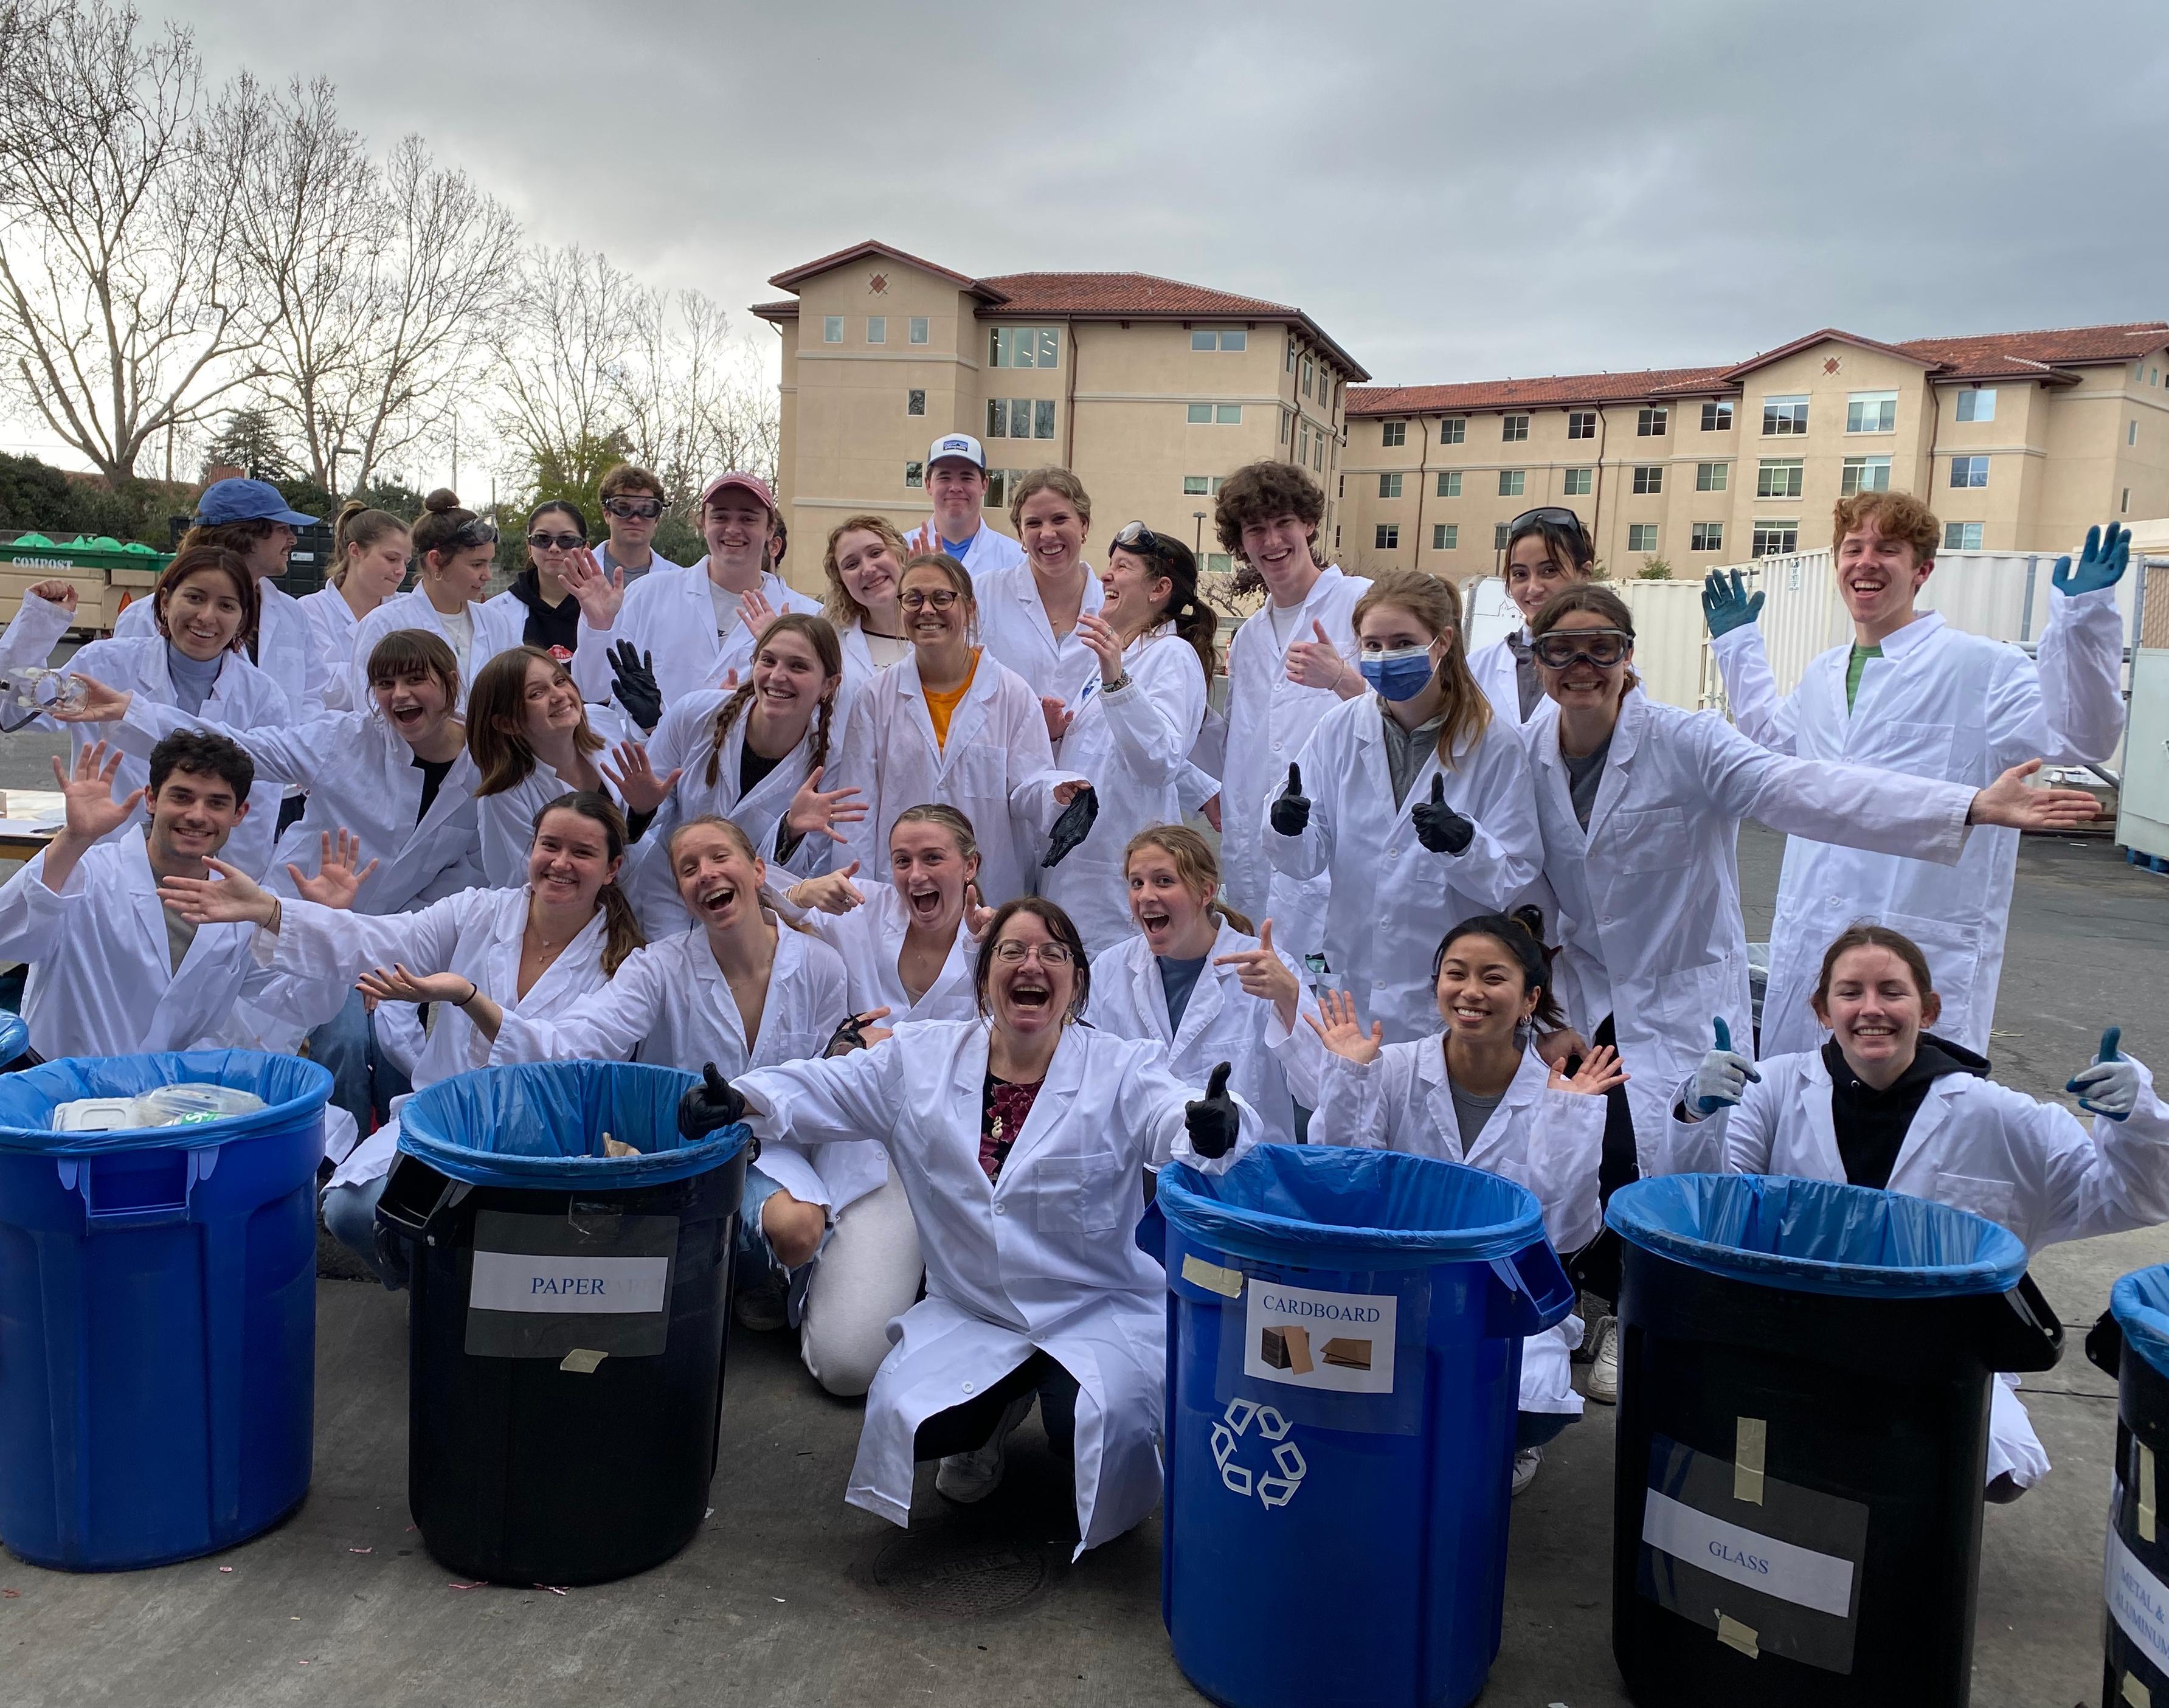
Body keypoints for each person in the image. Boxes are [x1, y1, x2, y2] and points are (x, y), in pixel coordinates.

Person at [679, 895, 1257, 1556]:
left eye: (1052, 952)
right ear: (984, 979)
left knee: (1099, 1427)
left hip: (1093, 1310)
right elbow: (822, 1088)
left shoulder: (1120, 1066)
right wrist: (742, 1098)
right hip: (976, 1311)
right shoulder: (920, 1061)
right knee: (908, 1414)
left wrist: (1216, 1122)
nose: (1030, 964)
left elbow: (1174, 1110)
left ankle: (1055, 1405)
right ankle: (991, 1421)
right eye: (1011, 951)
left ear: (1076, 982)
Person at [1521, 581, 2105, 1166]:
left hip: (1680, 1006)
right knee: (1577, 1170)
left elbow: (1810, 790)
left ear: (1628, 657)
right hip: (1581, 1003)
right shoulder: (1524, 754)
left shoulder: (1687, 741)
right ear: (1537, 656)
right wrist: (1542, 1014)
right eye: (1560, 649)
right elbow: (1520, 896)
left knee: (1687, 1173)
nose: (1581, 666)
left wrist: (1966, 804)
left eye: (1601, 648)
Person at [1662, 922, 2169, 1501]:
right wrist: (1696, 1112)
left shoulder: (1996, 1116)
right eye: (1850, 992)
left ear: (1927, 1009)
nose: (1870, 1008)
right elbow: (1699, 1206)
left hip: (1931, 1350)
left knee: (1997, 1467)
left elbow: (2127, 1199)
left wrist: (2138, 1124)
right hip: (1790, 1333)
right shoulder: (1772, 1088)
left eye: (1892, 991)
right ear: (1822, 1010)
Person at [1700, 492, 2129, 1057]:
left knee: (1916, 1121)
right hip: (1813, 931)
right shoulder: (1824, 672)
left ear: (1922, 569)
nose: (1866, 561)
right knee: (1799, 1108)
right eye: (1852, 548)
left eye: (1888, 549)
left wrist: (2083, 622)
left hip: (1921, 931)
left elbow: (2082, 735)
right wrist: (1737, 647)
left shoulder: (1981, 667)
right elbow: (1774, 750)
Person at [163, 792, 647, 1285]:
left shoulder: (629, 960)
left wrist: (469, 996)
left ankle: (483, 1303)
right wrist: (270, 910)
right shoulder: (479, 912)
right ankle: (439, 1293)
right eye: (550, 845)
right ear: (531, 850)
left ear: (612, 868)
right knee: (350, 1210)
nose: (561, 863)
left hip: (549, 1138)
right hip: (446, 1117)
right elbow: (383, 941)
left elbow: (572, 1052)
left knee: (502, 1235)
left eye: (582, 852)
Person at [60, 631, 486, 1130]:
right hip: (289, 917)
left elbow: (464, 874)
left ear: (451, 682)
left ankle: (386, 1156)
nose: (399, 695)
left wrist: (396, 945)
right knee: (310, 1044)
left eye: (417, 680)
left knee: (398, 1052)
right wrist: (132, 712)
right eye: (385, 683)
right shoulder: (344, 738)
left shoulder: (484, 770)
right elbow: (238, 747)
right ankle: (315, 1161)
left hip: (395, 936)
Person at [474, 815, 849, 1328]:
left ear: (758, 870)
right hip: (678, 1149)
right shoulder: (658, 966)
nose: (706, 874)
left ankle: (737, 1273)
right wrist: (472, 999)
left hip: (773, 1149)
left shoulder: (821, 965)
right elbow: (576, 1041)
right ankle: (685, 1277)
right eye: (689, 868)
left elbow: (824, 1082)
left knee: (798, 1228)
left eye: (720, 857)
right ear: (682, 893)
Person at [1304, 913, 1627, 1494]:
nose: (1471, 991)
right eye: (1456, 974)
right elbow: (1343, 1190)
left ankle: (1508, 1438)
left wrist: (1568, 1124)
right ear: (1437, 987)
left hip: (1501, 1298)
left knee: (1526, 1389)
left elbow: (1564, 1232)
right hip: (1395, 1285)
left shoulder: (1559, 1093)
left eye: (1493, 977)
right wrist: (1350, 1077)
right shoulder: (1393, 1068)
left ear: (1529, 998)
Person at [752, 804, 992, 1396]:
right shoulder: (860, 910)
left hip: (963, 1156)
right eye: (903, 859)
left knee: (1010, 1328)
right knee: (849, 1365)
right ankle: (842, 1278)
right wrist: (802, 891)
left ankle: (921, 1282)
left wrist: (896, 1046)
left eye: (933, 858)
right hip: (870, 1152)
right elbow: (742, 904)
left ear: (971, 865)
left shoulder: (1004, 941)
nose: (915, 876)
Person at [1266, 567, 1542, 1043]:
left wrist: (1465, 845)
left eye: (1401, 642)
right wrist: (1287, 826)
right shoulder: (1339, 730)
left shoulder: (1493, 744)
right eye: (1372, 645)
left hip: (1445, 993)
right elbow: (1306, 860)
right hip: (1351, 977)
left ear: (1442, 642)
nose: (1384, 657)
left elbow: (1515, 878)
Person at [0, 734, 357, 1061]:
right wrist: (74, 837)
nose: (197, 816)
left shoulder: (242, 907)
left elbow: (303, 1005)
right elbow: (8, 936)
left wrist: (325, 925)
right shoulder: (87, 872)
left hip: (158, 1104)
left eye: (217, 803)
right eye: (182, 797)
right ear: (152, 799)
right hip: (53, 1090)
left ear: (239, 815)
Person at [4, 547, 289, 879]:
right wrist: (38, 625)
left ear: (244, 617)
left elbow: (256, 817)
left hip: (204, 879)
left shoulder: (263, 697)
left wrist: (230, 889)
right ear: (165, 601)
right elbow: (15, 712)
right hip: (107, 865)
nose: (207, 617)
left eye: (226, 605)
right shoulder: (104, 664)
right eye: (195, 598)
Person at [832, 554, 1076, 908]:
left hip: (990, 891)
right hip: (903, 892)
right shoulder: (874, 698)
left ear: (970, 608)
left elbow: (1028, 786)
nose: (927, 610)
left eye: (942, 598)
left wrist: (1057, 791)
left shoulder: (1012, 694)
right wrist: (861, 899)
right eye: (913, 599)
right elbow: (857, 811)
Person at [609, 613, 863, 936]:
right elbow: (631, 825)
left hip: (745, 916)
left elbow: (793, 884)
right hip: (665, 893)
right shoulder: (695, 714)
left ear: (829, 684)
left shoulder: (830, 767)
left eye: (798, 666)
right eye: (768, 661)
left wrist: (790, 831)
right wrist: (642, 809)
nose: (778, 676)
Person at [1210, 460, 1369, 967]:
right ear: (1241, 544)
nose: (1272, 541)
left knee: (1334, 1012)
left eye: (1283, 523)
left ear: (1309, 524)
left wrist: (1343, 678)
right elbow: (1244, 747)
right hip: (1257, 857)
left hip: (1342, 850)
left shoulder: (1360, 603)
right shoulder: (1251, 637)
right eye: (1255, 529)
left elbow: (1417, 718)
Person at [1085, 825, 1321, 1146]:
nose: (1146, 895)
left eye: (1164, 881)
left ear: (1205, 892)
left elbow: (1321, 1091)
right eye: (1136, 883)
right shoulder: (1109, 971)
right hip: (1141, 1176)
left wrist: (1289, 999)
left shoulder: (1267, 971)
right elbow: (1089, 1080)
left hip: (1243, 1177)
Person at [1039, 523, 1214, 952]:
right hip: (1075, 873)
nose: (1105, 576)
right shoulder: (1108, 659)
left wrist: (1116, 680)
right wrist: (1057, 735)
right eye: (1109, 564)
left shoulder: (1172, 656)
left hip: (1118, 881)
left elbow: (1160, 761)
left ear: (1159, 589)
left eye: (1122, 567)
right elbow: (1108, 755)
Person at [563, 472, 819, 714]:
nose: (732, 529)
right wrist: (597, 628)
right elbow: (593, 689)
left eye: (748, 518)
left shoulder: (806, 615)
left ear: (770, 529)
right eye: (720, 517)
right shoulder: (648, 594)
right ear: (703, 524)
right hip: (651, 758)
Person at [112, 477, 329, 720]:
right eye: (282, 529)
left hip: (275, 757)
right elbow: (124, 709)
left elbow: (311, 698)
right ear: (243, 536)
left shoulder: (291, 613)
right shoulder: (143, 617)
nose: (293, 539)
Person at [347, 490, 523, 712]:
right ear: (436, 562)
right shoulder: (384, 625)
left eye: (489, 563)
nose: (487, 575)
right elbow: (372, 713)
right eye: (477, 565)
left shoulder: (497, 623)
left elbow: (519, 694)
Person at [467, 646, 624, 887]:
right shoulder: (505, 795)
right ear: (507, 724)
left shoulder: (603, 722)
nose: (559, 695)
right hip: (575, 912)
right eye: (537, 694)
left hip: (644, 889)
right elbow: (535, 881)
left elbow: (651, 822)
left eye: (560, 681)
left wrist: (645, 810)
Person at [975, 468, 1105, 723]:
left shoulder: (1110, 605)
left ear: (1084, 525)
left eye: (1059, 520)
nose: (1047, 534)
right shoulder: (983, 594)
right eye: (1034, 523)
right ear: (1021, 534)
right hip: (1005, 756)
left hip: (1087, 761)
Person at [1468, 507, 1598, 727]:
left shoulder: (1610, 669)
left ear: (1584, 573)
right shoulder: (1476, 667)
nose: (1533, 588)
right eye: (1520, 574)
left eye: (1549, 571)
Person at [299, 503, 411, 711]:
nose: (401, 571)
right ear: (355, 551)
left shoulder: (408, 609)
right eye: (392, 559)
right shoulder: (312, 609)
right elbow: (322, 685)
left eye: (406, 562)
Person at [904, 433, 1026, 581]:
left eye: (966, 478)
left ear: (984, 485)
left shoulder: (1016, 560)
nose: (955, 487)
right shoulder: (901, 552)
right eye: (945, 477)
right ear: (929, 484)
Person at [822, 514, 915, 677]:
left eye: (875, 553)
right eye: (852, 564)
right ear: (842, 582)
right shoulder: (830, 640)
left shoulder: (944, 628)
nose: (868, 569)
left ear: (900, 555)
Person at [502, 500, 591, 661]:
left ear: (585, 549)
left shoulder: (609, 609)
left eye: (567, 540)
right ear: (529, 547)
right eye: (542, 539)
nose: (554, 548)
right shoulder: (497, 613)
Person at [595, 463, 685, 587]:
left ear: (657, 518)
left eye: (646, 509)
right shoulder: (574, 571)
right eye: (624, 508)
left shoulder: (681, 582)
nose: (635, 519)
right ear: (606, 514)